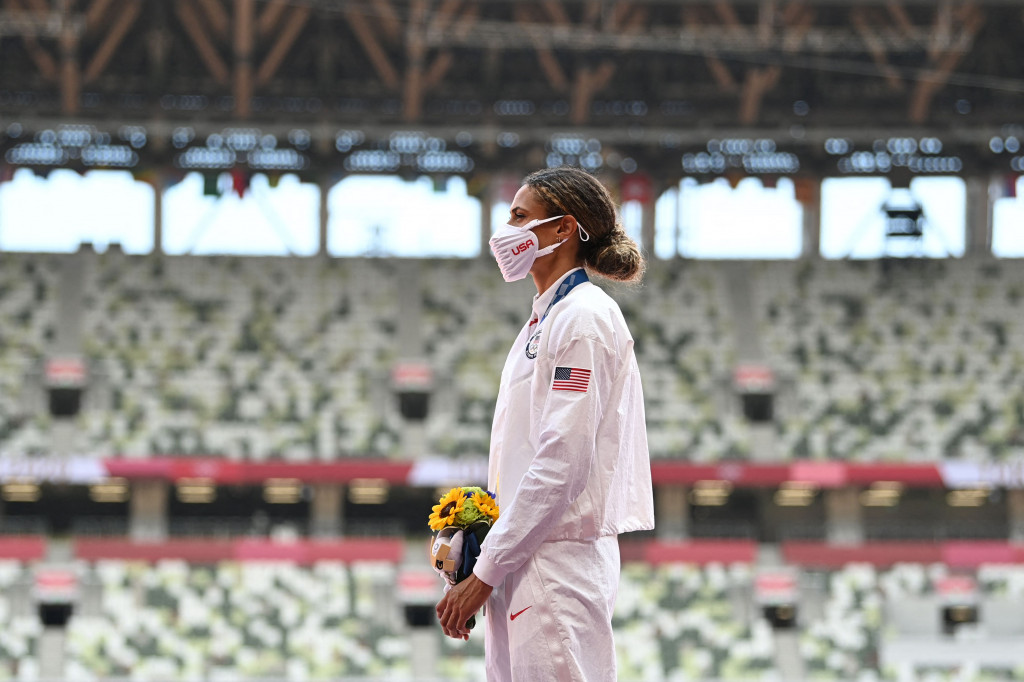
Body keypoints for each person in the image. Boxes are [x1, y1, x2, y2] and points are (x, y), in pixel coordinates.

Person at [436, 166, 655, 681]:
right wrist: (480, 550)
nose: (505, 230)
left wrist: (485, 573)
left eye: (518, 216)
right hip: (523, 559)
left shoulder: (584, 317)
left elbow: (563, 461)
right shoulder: (543, 319)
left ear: (562, 228)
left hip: (556, 564)